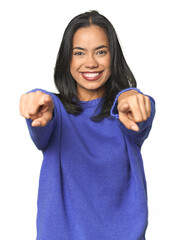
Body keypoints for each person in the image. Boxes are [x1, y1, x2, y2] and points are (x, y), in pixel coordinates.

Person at [19, 10, 155, 240]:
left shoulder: (127, 110)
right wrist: (36, 99)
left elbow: (139, 111)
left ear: (114, 57)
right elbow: (42, 118)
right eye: (79, 53)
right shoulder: (53, 112)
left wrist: (131, 95)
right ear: (67, 59)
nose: (91, 63)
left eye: (101, 52)